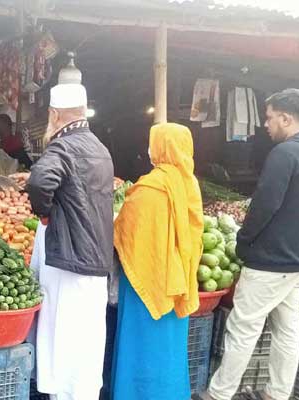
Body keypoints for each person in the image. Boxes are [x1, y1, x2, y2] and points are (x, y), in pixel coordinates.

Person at [195, 89, 299, 400]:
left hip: (271, 261)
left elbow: (263, 206)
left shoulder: (285, 154)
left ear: (286, 118)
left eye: (270, 118)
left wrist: (244, 242)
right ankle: (278, 393)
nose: (265, 125)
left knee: (243, 329)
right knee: (287, 330)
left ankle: (219, 394)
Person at [26, 79, 114, 400]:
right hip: (95, 260)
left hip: (68, 259)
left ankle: (62, 392)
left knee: (61, 332)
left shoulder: (63, 146)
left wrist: (45, 214)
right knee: (87, 337)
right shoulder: (100, 149)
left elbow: (40, 181)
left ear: (54, 114)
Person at [112, 123, 204, 399]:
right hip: (177, 282)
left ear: (160, 148)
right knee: (170, 349)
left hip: (146, 276)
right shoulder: (189, 184)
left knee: (140, 343)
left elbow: (126, 230)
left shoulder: (150, 188)